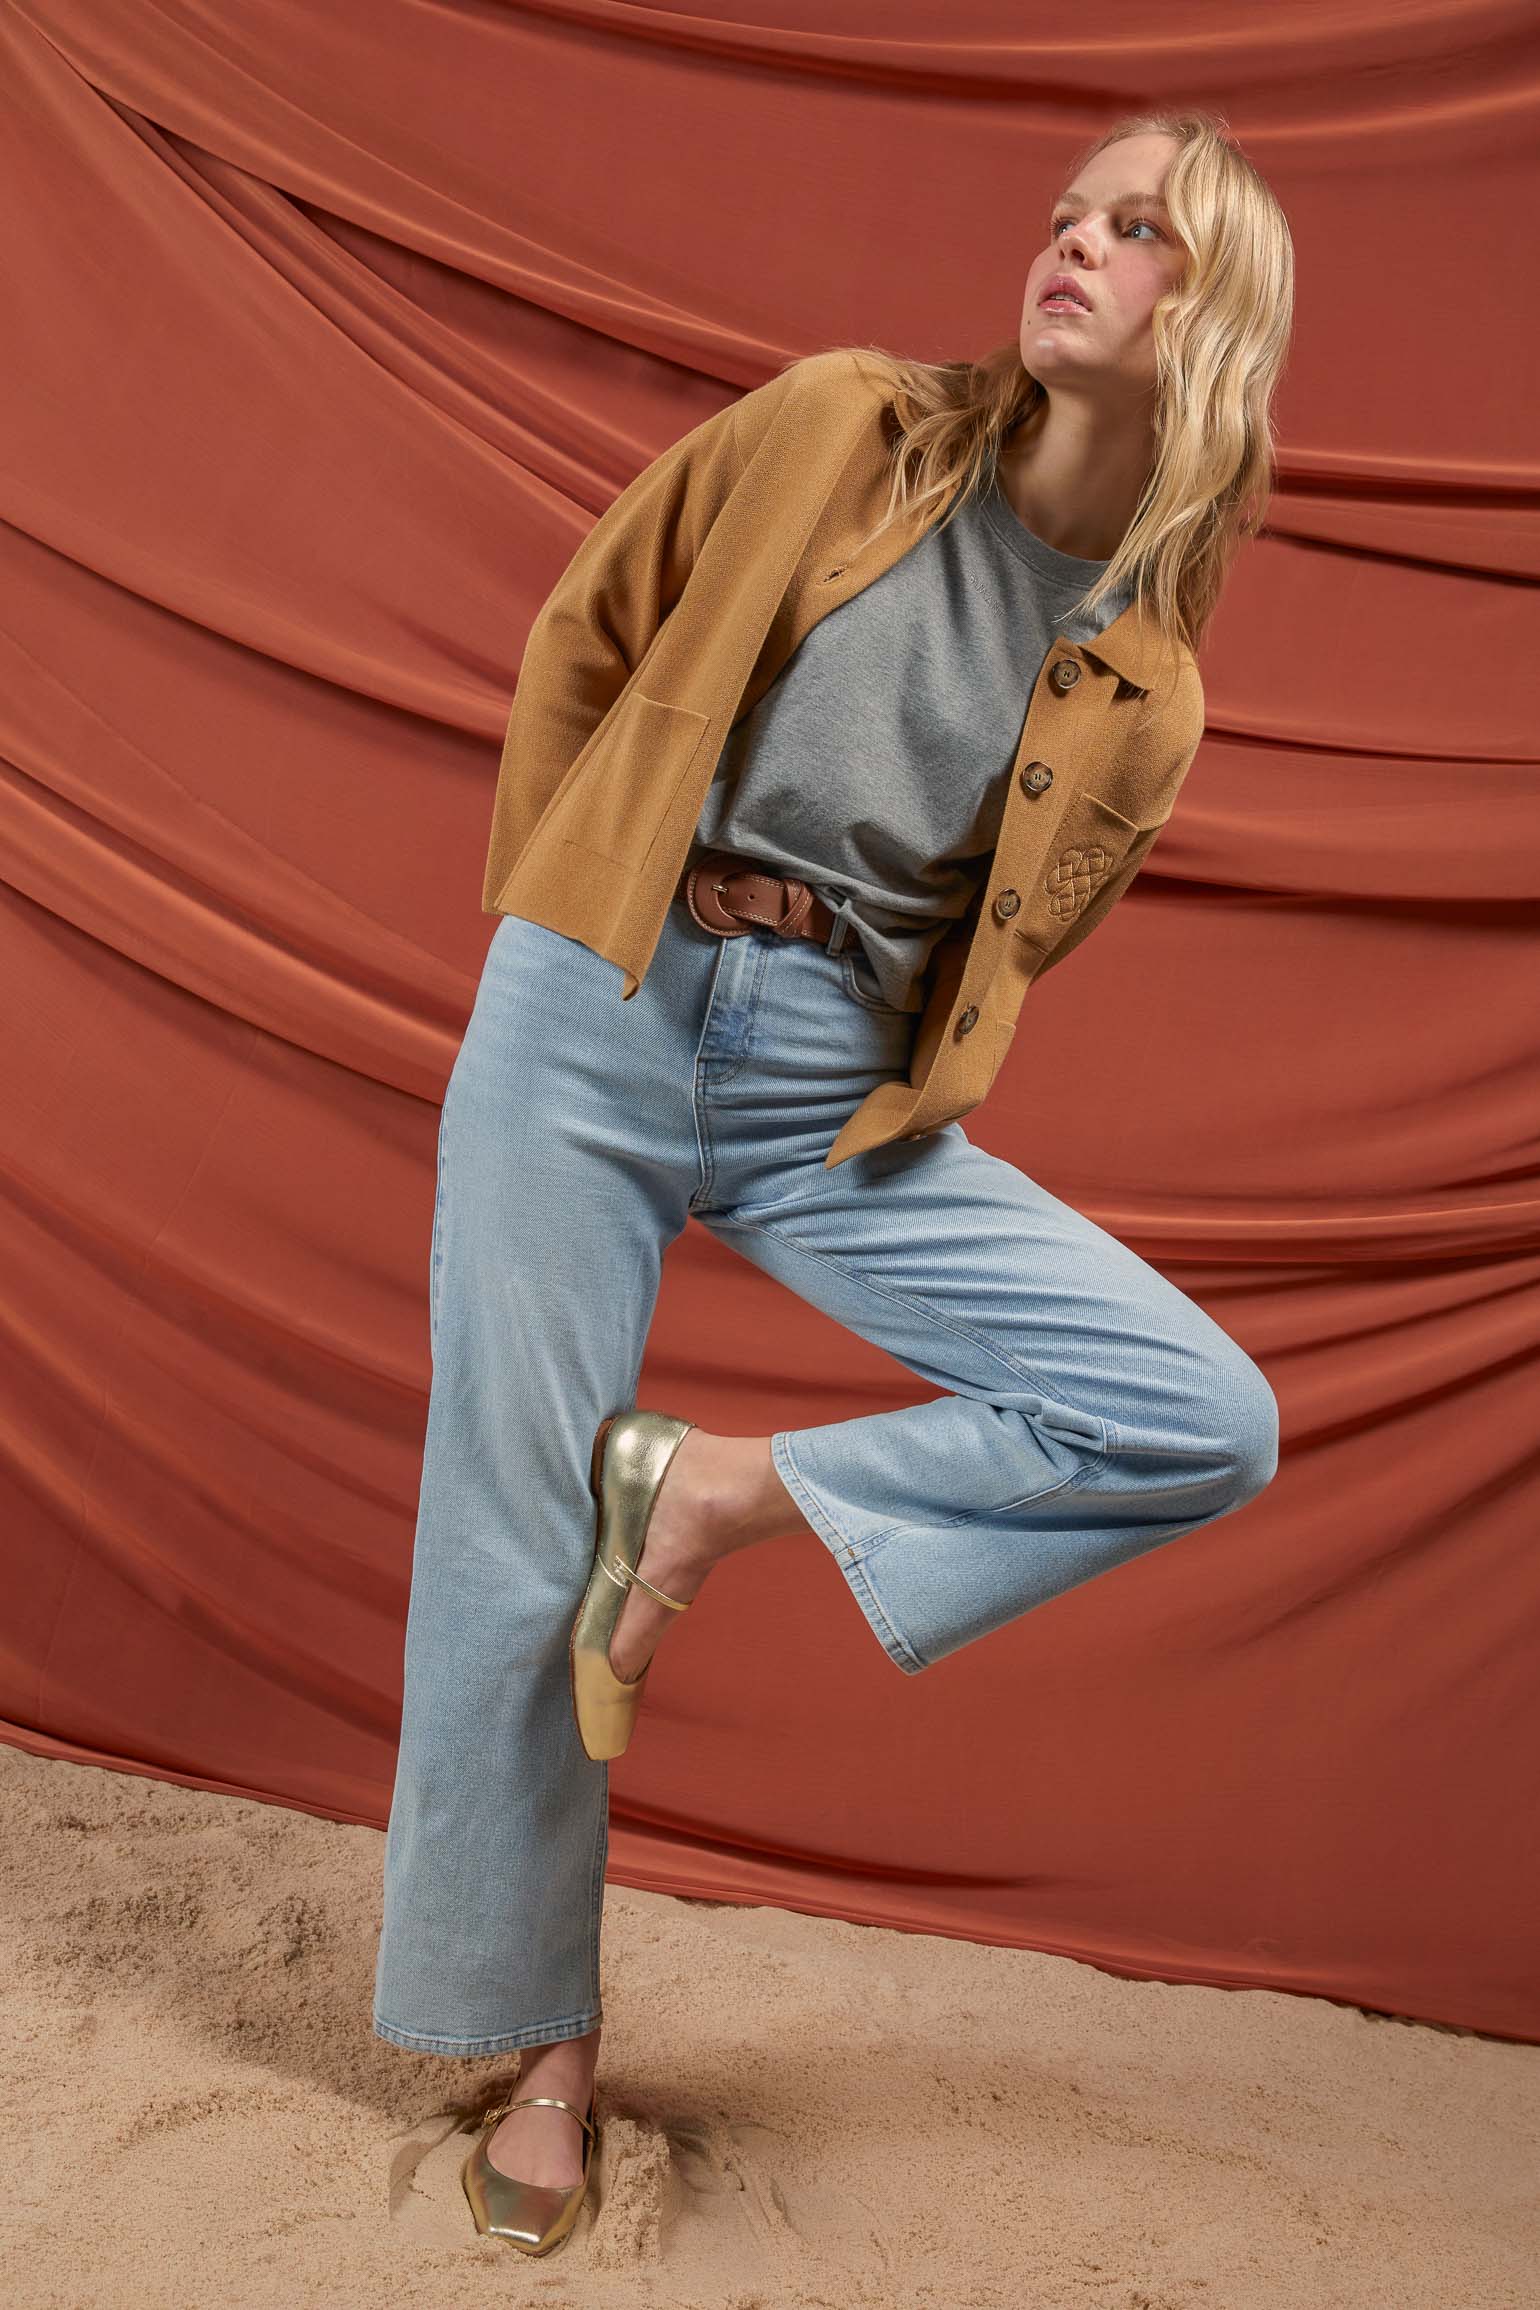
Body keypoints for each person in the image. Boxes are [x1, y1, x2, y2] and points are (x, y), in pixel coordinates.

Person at [373, 105, 1295, 2259]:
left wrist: (858, 1076)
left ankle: (707, 1497)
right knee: (514, 1527)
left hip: (821, 1083)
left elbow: (1010, 936)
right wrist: (569, 928)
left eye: (1135, 228)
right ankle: (540, 2054)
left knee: (1199, 1413)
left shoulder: (1147, 684)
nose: (1072, 245)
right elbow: (592, 629)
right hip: (606, 990)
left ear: (1217, 311)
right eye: (1064, 214)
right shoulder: (840, 426)